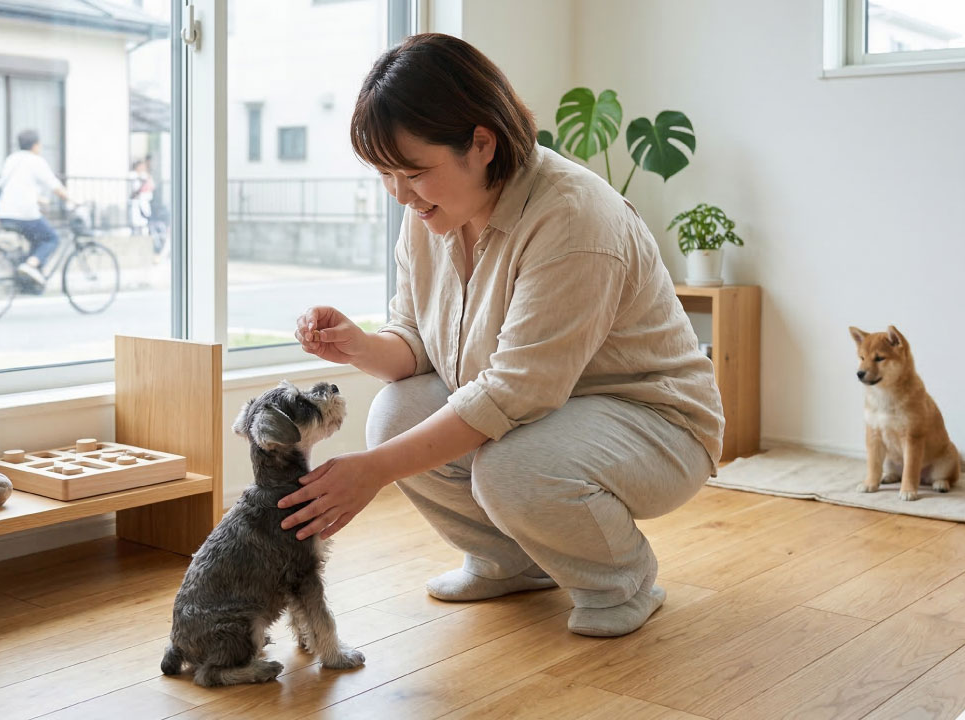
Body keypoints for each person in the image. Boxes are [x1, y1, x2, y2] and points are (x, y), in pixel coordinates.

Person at [277, 33, 725, 638]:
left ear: (481, 144)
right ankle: (509, 562)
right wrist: (359, 345)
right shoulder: (430, 213)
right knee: (395, 414)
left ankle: (621, 580)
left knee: (512, 464)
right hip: (548, 413)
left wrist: (372, 472)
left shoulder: (572, 217)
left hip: (656, 423)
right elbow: (418, 346)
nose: (400, 194)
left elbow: (514, 392)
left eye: (413, 172)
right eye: (385, 173)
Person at [0, 129, 77, 286]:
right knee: (52, 238)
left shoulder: (11, 159)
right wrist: (73, 200)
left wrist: (39, 199)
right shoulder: (35, 161)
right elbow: (54, 185)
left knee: (37, 239)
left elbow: (14, 187)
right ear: (35, 145)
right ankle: (30, 266)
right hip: (23, 214)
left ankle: (28, 281)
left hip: (4, 213)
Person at [128, 157, 155, 236]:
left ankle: (144, 234)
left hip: (144, 200)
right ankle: (135, 234)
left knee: (144, 220)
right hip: (136, 201)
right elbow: (135, 189)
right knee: (135, 220)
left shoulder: (144, 175)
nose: (143, 168)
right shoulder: (133, 175)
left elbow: (152, 186)